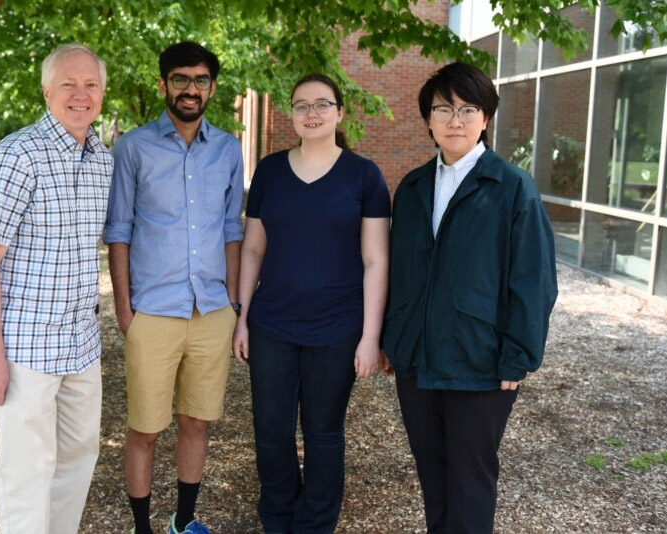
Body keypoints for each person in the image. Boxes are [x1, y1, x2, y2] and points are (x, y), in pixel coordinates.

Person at [381, 62, 558, 533]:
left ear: (485, 118)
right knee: (432, 476)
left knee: (470, 479)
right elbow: (401, 272)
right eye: (444, 109)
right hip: (417, 360)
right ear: (428, 120)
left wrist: (516, 358)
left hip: (480, 362)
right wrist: (392, 338)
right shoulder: (414, 187)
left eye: (467, 109)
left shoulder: (513, 188)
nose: (455, 120)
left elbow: (534, 280)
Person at [232, 73, 391, 534]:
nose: (312, 113)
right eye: (302, 105)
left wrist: (370, 337)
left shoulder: (364, 175)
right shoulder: (270, 171)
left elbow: (375, 261)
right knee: (271, 434)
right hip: (273, 325)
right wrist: (242, 319)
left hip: (338, 328)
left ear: (340, 113)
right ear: (291, 114)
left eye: (322, 104)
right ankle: (278, 520)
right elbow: (254, 249)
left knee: (324, 435)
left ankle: (315, 524)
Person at [0, 43, 112, 534]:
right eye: (68, 84)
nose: (81, 94)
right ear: (47, 90)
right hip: (25, 350)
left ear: (103, 93)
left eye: (91, 84)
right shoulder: (15, 157)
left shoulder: (101, 161)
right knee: (25, 474)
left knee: (77, 460)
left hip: (81, 344)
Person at [104, 41, 243, 534]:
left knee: (197, 422)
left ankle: (183, 522)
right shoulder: (134, 147)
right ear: (163, 84)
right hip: (153, 312)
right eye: (181, 79)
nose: (191, 89)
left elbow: (232, 229)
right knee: (144, 429)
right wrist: (125, 311)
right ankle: (142, 527)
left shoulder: (228, 148)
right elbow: (118, 230)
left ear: (212, 88)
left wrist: (232, 303)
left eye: (200, 80)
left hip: (211, 311)